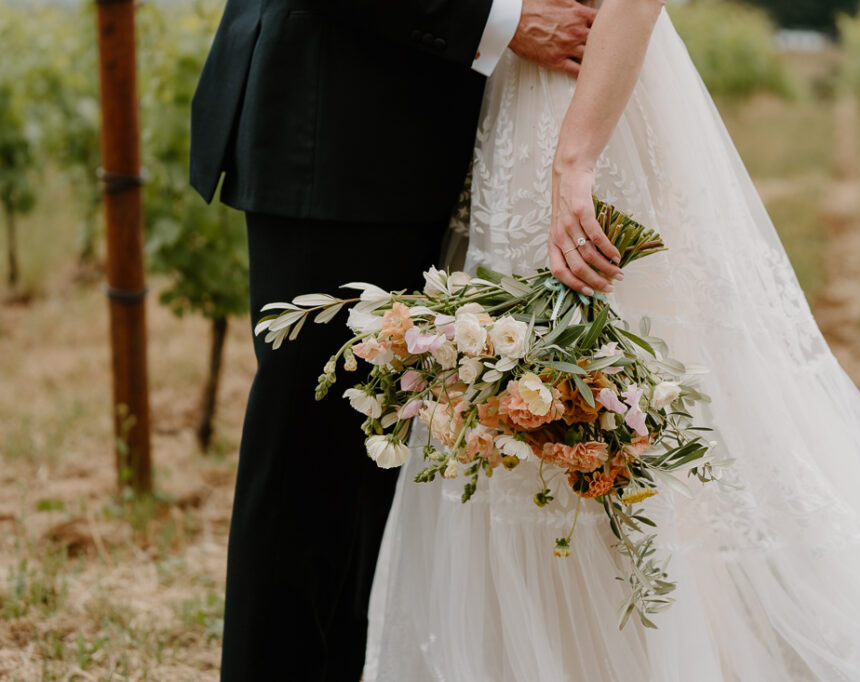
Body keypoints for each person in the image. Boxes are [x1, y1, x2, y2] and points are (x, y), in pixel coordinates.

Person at [364, 0, 860, 679]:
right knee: (519, 415)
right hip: (515, 99)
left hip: (586, 100)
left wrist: (575, 158)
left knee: (616, 393)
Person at [187, 0, 597, 679]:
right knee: (309, 465)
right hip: (339, 123)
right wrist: (496, 19)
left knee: (383, 473)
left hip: (430, 131)